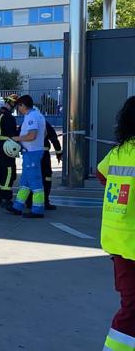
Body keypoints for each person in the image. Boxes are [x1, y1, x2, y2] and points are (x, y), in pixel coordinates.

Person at [96, 96, 135, 351]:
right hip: (132, 242)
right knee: (132, 311)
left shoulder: (118, 151)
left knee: (130, 303)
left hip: (117, 240)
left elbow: (101, 175)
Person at [7, 95, 46, 218]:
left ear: (23, 105)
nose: (19, 109)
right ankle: (17, 206)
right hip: (32, 151)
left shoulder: (31, 117)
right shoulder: (38, 115)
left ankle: (38, 210)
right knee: (25, 181)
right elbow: (44, 133)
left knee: (35, 182)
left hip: (31, 153)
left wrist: (16, 138)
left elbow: (31, 136)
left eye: (19, 106)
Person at [26, 120, 62, 210]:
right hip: (43, 155)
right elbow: (54, 138)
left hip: (31, 154)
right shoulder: (44, 123)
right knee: (46, 177)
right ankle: (44, 201)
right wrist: (58, 153)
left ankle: (30, 201)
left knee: (32, 177)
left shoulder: (27, 122)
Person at [0, 94, 19, 208]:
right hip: (6, 146)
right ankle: (6, 198)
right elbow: (13, 134)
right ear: (12, 104)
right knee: (9, 172)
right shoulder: (9, 117)